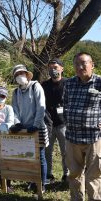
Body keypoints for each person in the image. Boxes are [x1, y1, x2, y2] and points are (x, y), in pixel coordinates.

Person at [63, 52, 101, 201]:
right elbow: (65, 103)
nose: (80, 67)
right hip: (72, 137)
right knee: (74, 174)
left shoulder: (99, 82)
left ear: (92, 64)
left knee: (94, 174)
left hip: (94, 137)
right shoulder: (70, 83)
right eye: (76, 64)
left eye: (84, 63)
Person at [10, 64, 49, 193]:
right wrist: (17, 123)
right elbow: (14, 109)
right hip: (23, 128)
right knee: (27, 156)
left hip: (37, 127)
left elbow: (41, 106)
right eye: (17, 75)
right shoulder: (16, 92)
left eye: (21, 73)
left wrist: (36, 125)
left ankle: (42, 183)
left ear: (27, 74)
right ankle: (31, 181)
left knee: (40, 156)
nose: (19, 76)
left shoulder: (35, 86)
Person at [42, 58, 68, 183]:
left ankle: (66, 174)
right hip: (48, 124)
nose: (53, 70)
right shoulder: (44, 85)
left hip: (64, 124)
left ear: (62, 68)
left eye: (56, 67)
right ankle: (48, 175)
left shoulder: (68, 84)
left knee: (66, 151)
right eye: (51, 68)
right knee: (48, 151)